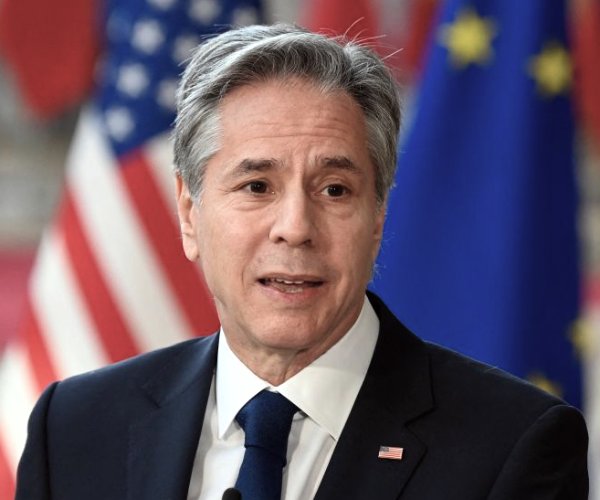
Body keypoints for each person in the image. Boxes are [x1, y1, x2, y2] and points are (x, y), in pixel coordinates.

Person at [16, 24, 588, 500]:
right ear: (190, 214)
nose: (295, 227)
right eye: (257, 186)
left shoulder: (512, 445)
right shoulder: (74, 428)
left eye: (335, 190)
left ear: (378, 217)